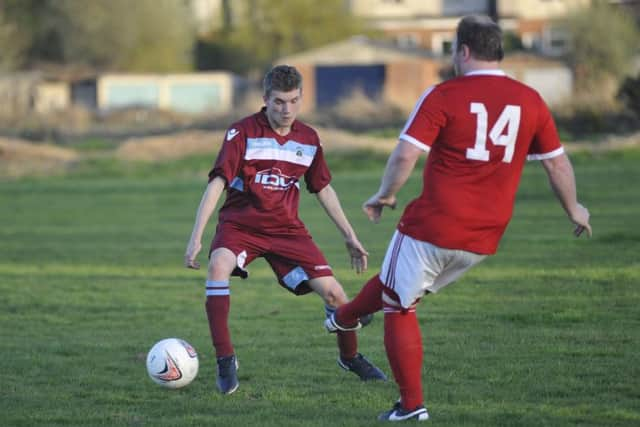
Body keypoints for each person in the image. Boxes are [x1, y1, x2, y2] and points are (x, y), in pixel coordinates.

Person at [324, 15, 592, 422]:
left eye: (453, 50)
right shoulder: (531, 99)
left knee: (399, 305)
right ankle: (343, 317)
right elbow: (557, 164)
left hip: (435, 224)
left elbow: (406, 154)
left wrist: (386, 194)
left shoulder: (443, 95)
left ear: (463, 51)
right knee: (401, 285)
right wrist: (574, 209)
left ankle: (410, 407)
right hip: (485, 238)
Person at [184, 64, 386, 395]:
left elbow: (322, 188)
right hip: (240, 226)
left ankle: (349, 358)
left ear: (301, 98)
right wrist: (196, 237)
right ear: (265, 99)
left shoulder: (308, 139)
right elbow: (217, 183)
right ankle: (225, 359)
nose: (286, 109)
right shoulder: (242, 133)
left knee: (336, 295)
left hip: (286, 232)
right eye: (279, 102)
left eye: (293, 101)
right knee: (218, 266)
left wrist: (350, 236)